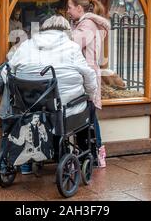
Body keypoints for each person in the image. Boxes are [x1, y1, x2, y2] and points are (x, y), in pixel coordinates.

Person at [7, 15, 98, 174]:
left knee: (55, 105)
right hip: (62, 110)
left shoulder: (26, 45)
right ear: (66, 30)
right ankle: (85, 155)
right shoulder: (71, 47)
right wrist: (91, 94)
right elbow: (89, 76)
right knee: (87, 108)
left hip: (29, 107)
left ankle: (31, 160)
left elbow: (10, 70)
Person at [67, 0, 110, 168]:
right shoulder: (85, 23)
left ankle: (95, 153)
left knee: (89, 117)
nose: (67, 10)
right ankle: (93, 152)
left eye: (69, 7)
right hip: (86, 76)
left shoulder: (87, 25)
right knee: (88, 116)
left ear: (79, 8)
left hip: (86, 78)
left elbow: (71, 46)